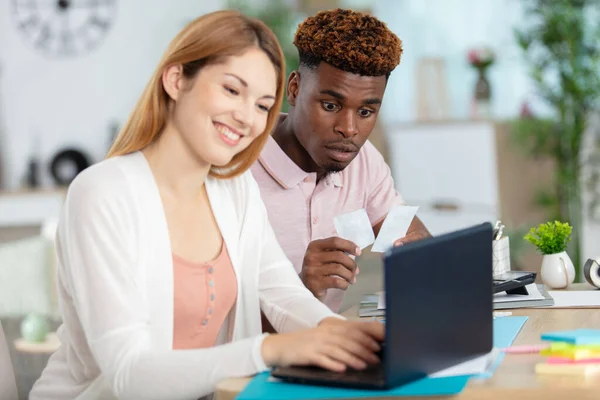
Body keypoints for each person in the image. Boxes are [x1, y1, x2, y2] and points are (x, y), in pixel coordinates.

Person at [29, 10, 384, 400]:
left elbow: (282, 294)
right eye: (232, 91)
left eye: (263, 105)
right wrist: (270, 350)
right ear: (177, 79)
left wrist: (347, 334)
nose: (247, 118)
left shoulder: (235, 191)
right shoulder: (102, 193)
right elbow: (127, 373)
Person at [251, 8, 431, 313]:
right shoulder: (239, 170)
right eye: (331, 104)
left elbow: (413, 237)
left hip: (329, 346)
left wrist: (417, 254)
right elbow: (211, 320)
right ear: (294, 88)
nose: (349, 129)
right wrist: (300, 287)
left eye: (365, 112)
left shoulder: (362, 162)